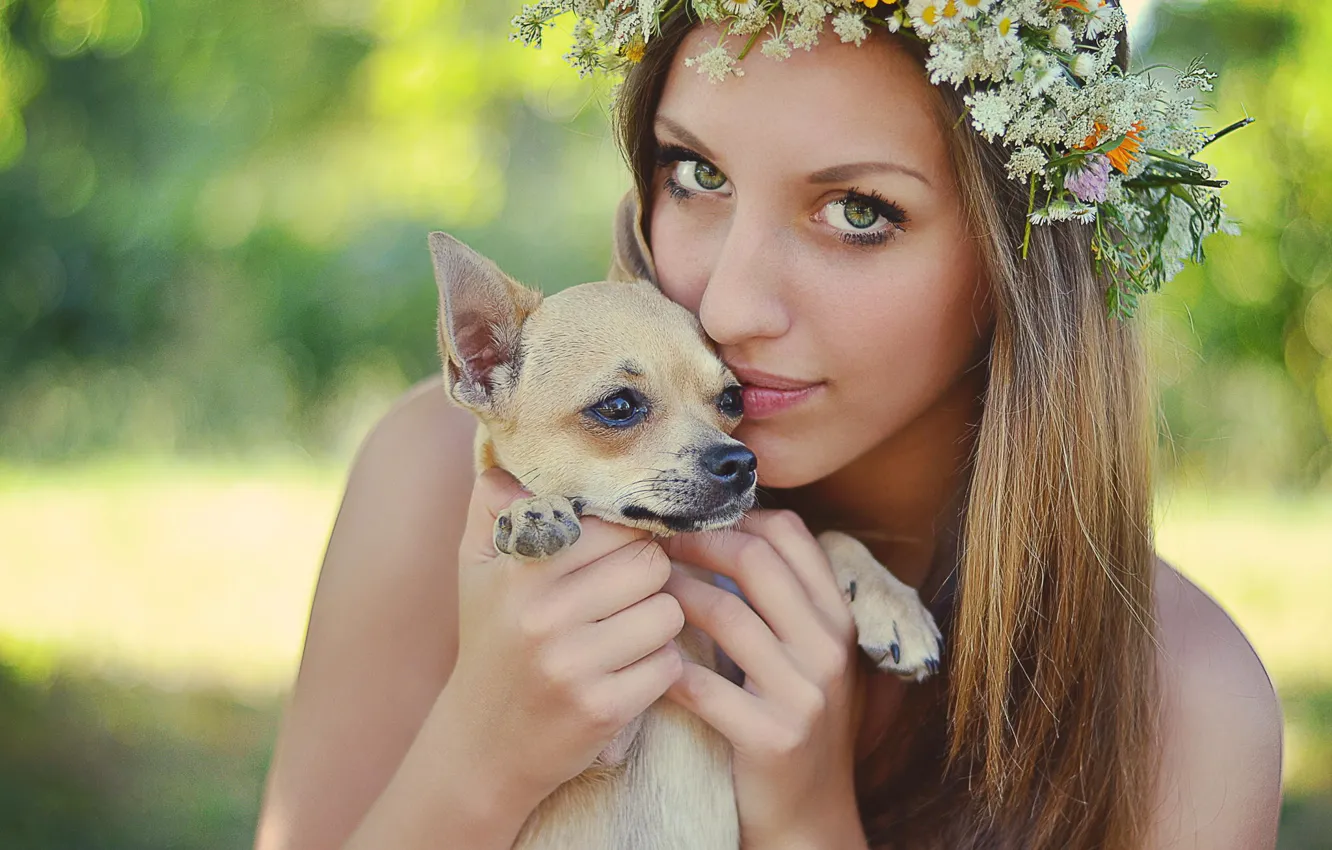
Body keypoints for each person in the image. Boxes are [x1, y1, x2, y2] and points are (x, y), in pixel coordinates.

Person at [253, 4, 1283, 848]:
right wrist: (481, 756)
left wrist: (809, 827)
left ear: (1024, 256)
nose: (733, 301)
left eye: (859, 211)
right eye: (696, 175)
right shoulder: (439, 483)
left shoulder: (1184, 704)